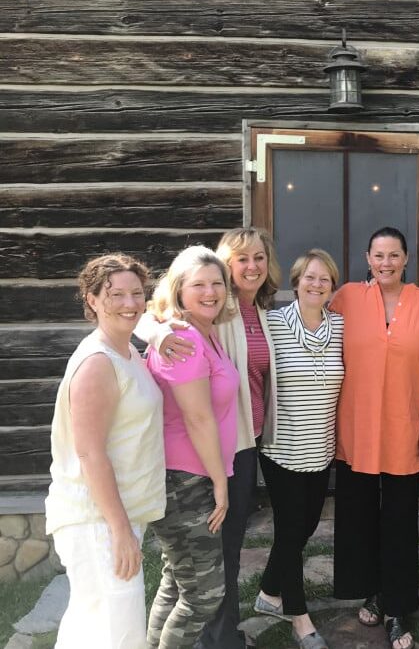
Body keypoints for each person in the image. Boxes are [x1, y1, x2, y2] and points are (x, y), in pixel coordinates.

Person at [136, 228, 280, 649]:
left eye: (259, 257)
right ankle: (217, 640)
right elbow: (148, 316)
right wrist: (157, 332)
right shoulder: (191, 328)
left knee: (187, 572)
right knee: (206, 583)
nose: (211, 291)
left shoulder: (238, 319)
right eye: (240, 260)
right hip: (199, 466)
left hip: (235, 450)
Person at [332, 226, 419, 649]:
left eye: (393, 255)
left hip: (405, 428)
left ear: (406, 258)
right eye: (378, 255)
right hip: (356, 428)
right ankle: (373, 593)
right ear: (367, 258)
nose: (385, 263)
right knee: (359, 518)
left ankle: (399, 608)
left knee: (399, 523)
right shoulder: (346, 298)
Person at [45, 254, 166, 649]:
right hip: (96, 519)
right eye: (116, 295)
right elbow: (90, 454)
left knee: (90, 625)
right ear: (92, 299)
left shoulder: (127, 352)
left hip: (116, 514)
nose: (130, 303)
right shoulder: (98, 362)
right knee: (120, 633)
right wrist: (118, 529)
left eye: (137, 294)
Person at [144, 246, 240, 649]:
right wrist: (221, 482)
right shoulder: (183, 341)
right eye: (198, 284)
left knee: (176, 581)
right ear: (179, 290)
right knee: (203, 595)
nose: (210, 292)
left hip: (189, 475)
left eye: (217, 283)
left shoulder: (205, 332)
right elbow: (198, 418)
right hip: (185, 481)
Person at [252, 249, 344, 649]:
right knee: (291, 532)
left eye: (324, 279)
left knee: (304, 527)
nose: (316, 284)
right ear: (296, 281)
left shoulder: (340, 326)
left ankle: (269, 591)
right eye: (309, 277)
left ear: (332, 287)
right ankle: (299, 617)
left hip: (320, 449)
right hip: (282, 449)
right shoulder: (272, 323)